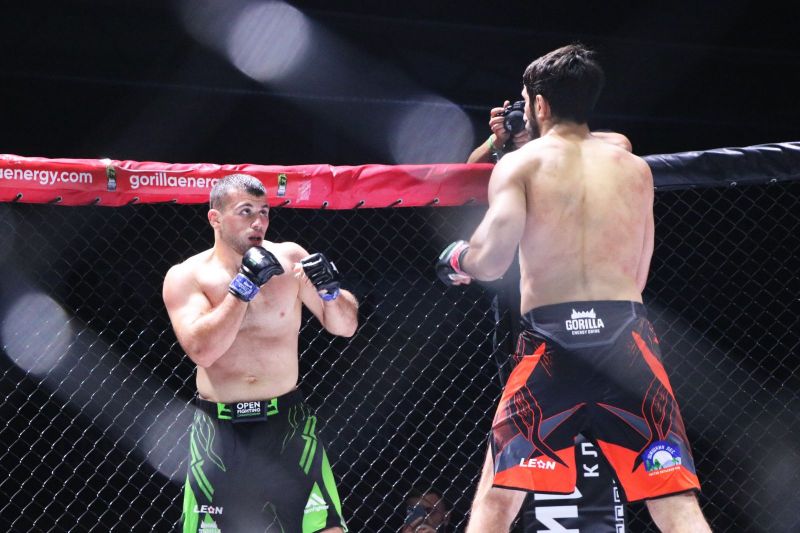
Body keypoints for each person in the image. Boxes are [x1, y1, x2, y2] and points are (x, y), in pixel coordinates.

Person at [436, 44, 711, 532]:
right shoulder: (634, 168)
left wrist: (459, 258)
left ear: (538, 104)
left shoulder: (521, 165)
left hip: (552, 343)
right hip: (626, 338)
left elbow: (492, 262)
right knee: (673, 499)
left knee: (498, 499)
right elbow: (640, 271)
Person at [163, 173, 358, 533]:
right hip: (221, 431)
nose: (258, 222)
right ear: (215, 218)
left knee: (327, 528)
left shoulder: (290, 258)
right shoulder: (187, 276)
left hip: (286, 422)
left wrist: (332, 292)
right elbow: (203, 351)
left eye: (264, 212)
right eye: (246, 211)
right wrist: (243, 287)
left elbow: (345, 326)